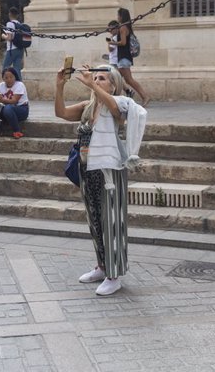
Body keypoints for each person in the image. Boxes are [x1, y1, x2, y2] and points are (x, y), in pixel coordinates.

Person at [55, 64, 147, 296]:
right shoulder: (89, 107)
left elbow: (117, 109)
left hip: (110, 173)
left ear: (113, 84)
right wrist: (59, 86)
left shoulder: (119, 104)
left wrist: (92, 85)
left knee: (112, 223)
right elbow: (62, 113)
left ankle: (114, 276)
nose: (95, 80)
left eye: (102, 78)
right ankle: (102, 266)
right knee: (95, 220)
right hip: (87, 170)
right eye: (95, 77)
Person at [109, 8, 150, 107]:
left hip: (124, 57)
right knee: (116, 77)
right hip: (123, 57)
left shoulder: (123, 27)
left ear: (121, 16)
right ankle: (117, 98)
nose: (117, 17)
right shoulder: (126, 26)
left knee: (128, 79)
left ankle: (145, 96)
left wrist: (112, 42)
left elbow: (123, 42)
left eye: (118, 15)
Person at [0, 67, 29, 138]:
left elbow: (14, 101)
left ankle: (17, 131)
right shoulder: (1, 86)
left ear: (15, 77)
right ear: (3, 78)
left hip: (21, 110)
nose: (9, 79)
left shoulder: (19, 85)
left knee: (8, 108)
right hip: (7, 110)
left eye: (11, 77)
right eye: (6, 78)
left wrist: (1, 99)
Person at [1, 7, 24, 75]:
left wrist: (3, 36)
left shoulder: (10, 24)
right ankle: (19, 85)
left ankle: (6, 83)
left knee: (5, 67)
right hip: (20, 49)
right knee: (17, 69)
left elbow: (9, 38)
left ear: (9, 14)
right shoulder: (20, 24)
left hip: (12, 49)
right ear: (17, 15)